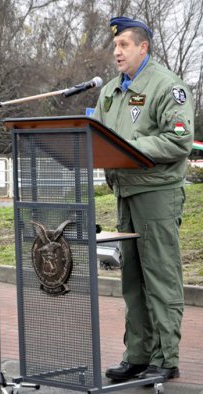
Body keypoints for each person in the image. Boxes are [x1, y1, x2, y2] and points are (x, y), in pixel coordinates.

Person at [93, 17, 194, 382]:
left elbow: (179, 139)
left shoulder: (169, 86)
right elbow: (99, 135)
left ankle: (165, 357)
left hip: (157, 193)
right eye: (115, 46)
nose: (117, 52)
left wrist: (128, 149)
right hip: (125, 192)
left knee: (160, 276)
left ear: (143, 48)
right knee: (132, 278)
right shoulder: (109, 91)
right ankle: (137, 354)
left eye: (124, 46)